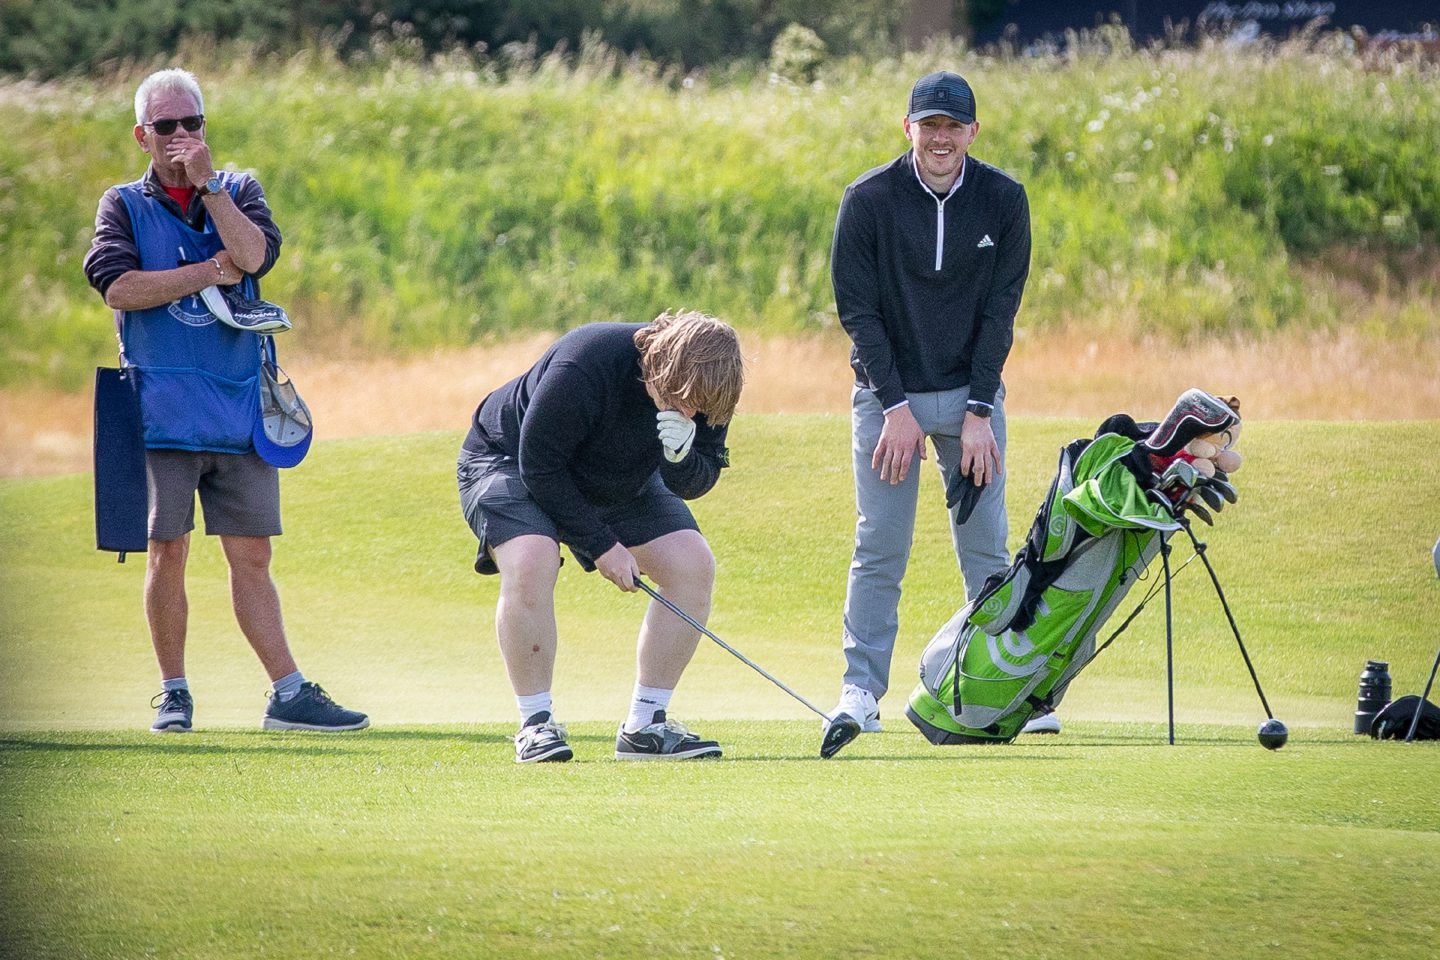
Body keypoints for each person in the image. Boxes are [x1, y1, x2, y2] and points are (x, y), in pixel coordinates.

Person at [82, 68, 368, 734]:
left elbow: (255, 254)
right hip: (160, 412)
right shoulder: (121, 204)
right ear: (141, 136)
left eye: (193, 123)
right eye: (166, 126)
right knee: (168, 552)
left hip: (240, 409)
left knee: (253, 555)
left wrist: (210, 187)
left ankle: (288, 693)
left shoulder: (237, 188)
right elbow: (118, 287)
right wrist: (207, 274)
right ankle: (175, 693)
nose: (181, 136)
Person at [827, 70, 1053, 734]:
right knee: (880, 545)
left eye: (953, 127)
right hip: (885, 397)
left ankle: (1003, 689)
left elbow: (1000, 313)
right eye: (929, 126)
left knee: (987, 545)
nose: (941, 138)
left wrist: (979, 411)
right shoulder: (867, 199)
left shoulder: (1004, 200)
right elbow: (859, 314)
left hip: (968, 399)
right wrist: (893, 407)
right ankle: (860, 693)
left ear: (973, 133)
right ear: (909, 130)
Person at [458, 311, 745, 763]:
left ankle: (645, 726)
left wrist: (679, 455)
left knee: (692, 563)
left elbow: (697, 479)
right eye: (682, 399)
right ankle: (536, 724)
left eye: (700, 408)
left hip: (616, 476)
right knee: (533, 557)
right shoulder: (587, 361)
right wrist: (602, 545)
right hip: (508, 460)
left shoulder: (707, 385)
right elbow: (540, 465)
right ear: (660, 367)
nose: (690, 411)